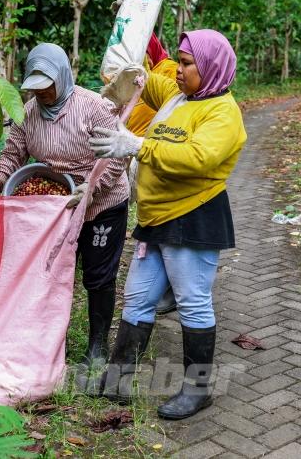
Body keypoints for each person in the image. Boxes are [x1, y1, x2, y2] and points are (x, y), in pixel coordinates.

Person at [89, 29, 247, 420]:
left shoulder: (222, 113)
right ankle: (118, 379)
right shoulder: (180, 96)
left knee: (192, 302)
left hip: (193, 217)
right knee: (138, 296)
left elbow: (199, 157)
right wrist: (137, 43)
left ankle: (198, 390)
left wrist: (139, 146)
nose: (179, 69)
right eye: (178, 60)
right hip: (156, 218)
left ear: (210, 67)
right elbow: (150, 79)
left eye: (188, 63)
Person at [0, 43, 130, 367]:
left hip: (102, 203)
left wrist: (91, 188)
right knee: (52, 273)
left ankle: (97, 345)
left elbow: (118, 154)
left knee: (98, 276)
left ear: (63, 77)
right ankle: (46, 341)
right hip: (56, 206)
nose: (42, 94)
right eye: (36, 88)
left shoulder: (93, 106)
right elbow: (13, 153)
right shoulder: (28, 113)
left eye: (48, 86)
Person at [126, 33, 180, 316]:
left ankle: (172, 288)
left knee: (167, 225)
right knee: (147, 220)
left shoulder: (168, 72)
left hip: (157, 152)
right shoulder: (132, 71)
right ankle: (155, 286)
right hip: (132, 150)